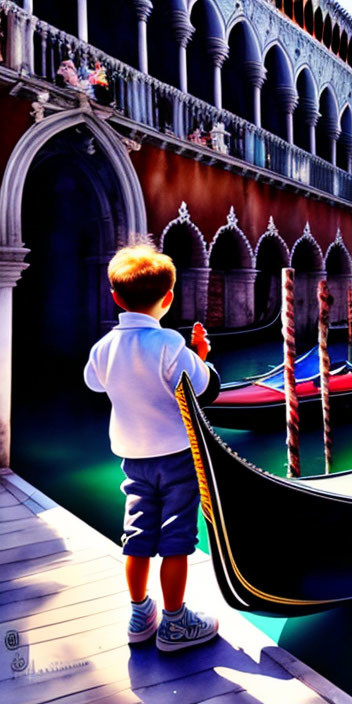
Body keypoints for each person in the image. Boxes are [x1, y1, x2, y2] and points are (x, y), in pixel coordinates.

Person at [84, 244, 221, 652]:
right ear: (168, 299)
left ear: (115, 297)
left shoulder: (103, 347)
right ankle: (176, 623)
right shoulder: (169, 346)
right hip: (177, 457)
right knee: (176, 538)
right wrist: (201, 356)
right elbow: (205, 388)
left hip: (132, 460)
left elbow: (95, 382)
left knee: (137, 536)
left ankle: (141, 614)